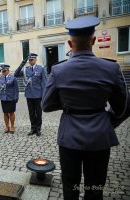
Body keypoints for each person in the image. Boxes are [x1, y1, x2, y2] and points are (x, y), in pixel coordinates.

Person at [41, 16, 129, 200]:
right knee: (95, 189)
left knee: (70, 188)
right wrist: (106, 121)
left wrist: (66, 103)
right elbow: (122, 108)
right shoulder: (111, 68)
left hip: (69, 137)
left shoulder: (58, 70)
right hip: (99, 137)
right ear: (94, 40)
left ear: (69, 43)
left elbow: (46, 105)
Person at [14, 53, 47, 136]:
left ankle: (38, 129)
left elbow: (44, 82)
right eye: (29, 60)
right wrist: (22, 64)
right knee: (31, 113)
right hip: (29, 95)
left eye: (32, 60)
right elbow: (16, 74)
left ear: (36, 60)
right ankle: (33, 128)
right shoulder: (26, 69)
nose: (30, 61)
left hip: (38, 95)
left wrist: (44, 95)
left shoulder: (41, 69)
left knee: (38, 113)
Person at [0, 64, 19, 133]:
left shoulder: (13, 78)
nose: (3, 72)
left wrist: (16, 97)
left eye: (5, 71)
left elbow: (16, 89)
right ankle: (7, 127)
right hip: (3, 98)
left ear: (8, 71)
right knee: (5, 112)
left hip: (11, 97)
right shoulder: (0, 78)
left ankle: (12, 126)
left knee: (12, 112)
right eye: (2, 71)